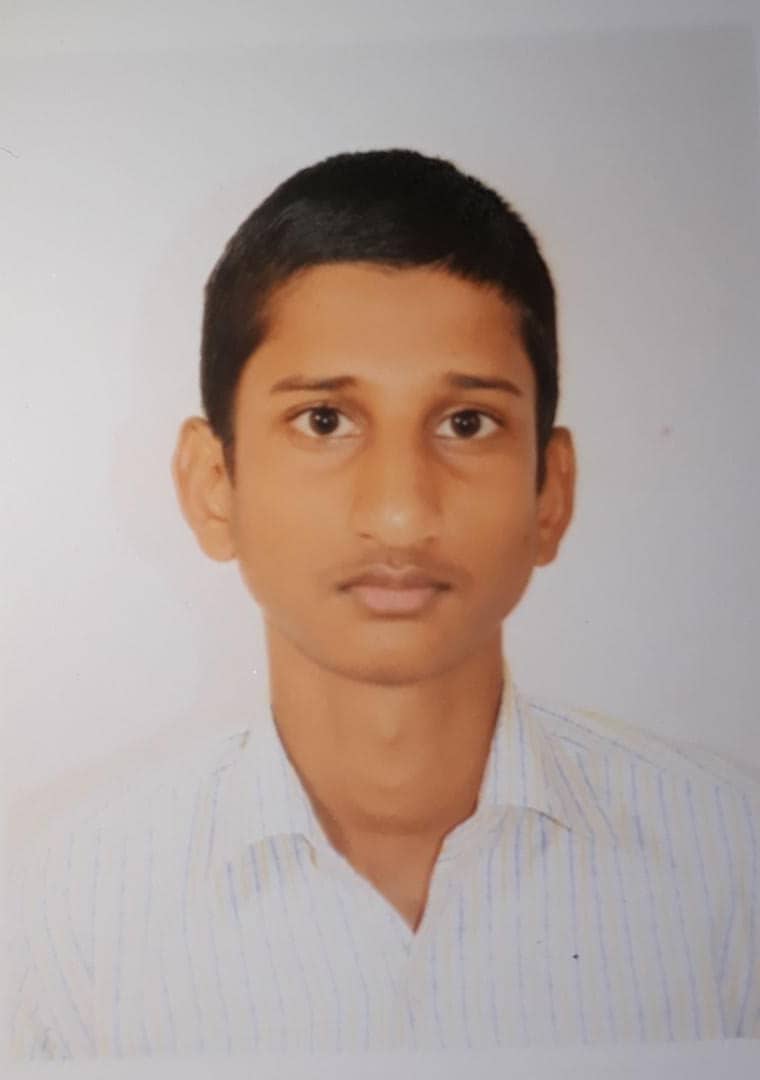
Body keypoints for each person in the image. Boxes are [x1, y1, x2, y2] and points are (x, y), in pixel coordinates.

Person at [8, 149, 759, 1058]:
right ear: (213, 485)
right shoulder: (61, 923)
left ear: (551, 493)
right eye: (324, 421)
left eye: (466, 424)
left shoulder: (734, 871)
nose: (401, 513)